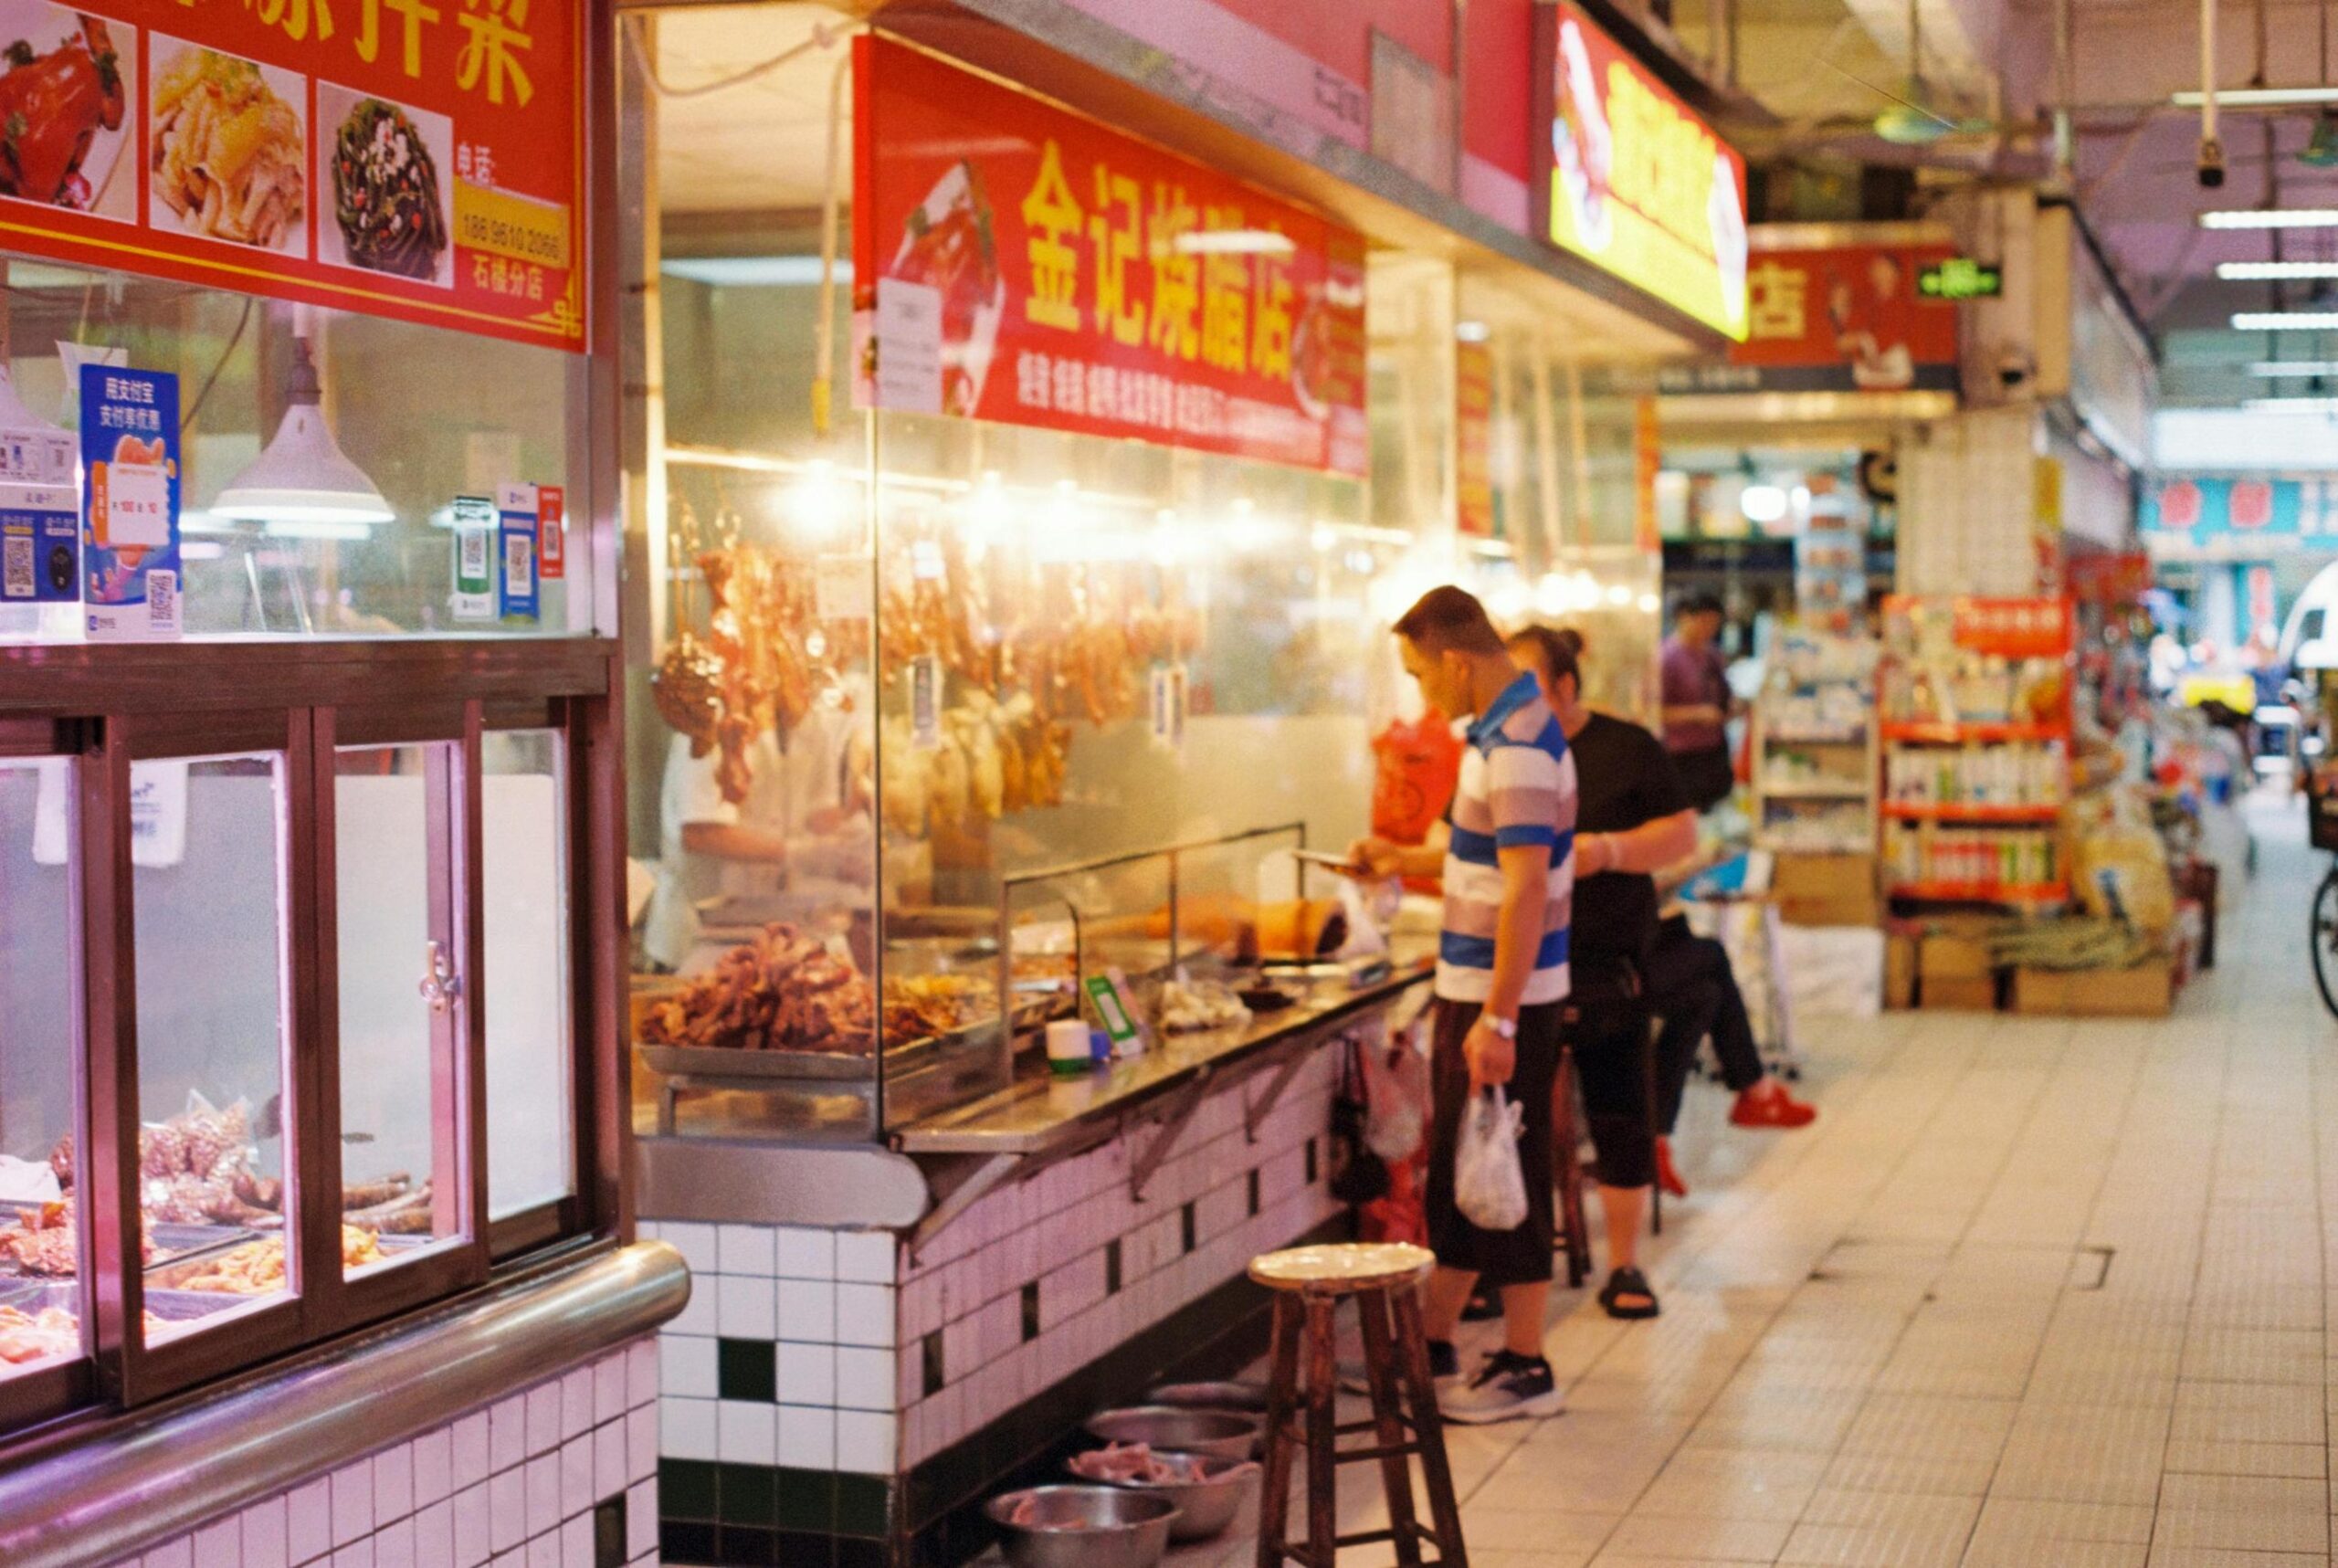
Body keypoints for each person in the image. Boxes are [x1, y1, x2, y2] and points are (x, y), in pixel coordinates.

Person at [1350, 586, 1574, 1423]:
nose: (1421, 695)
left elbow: (1522, 893)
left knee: (1499, 1171)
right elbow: (1487, 861)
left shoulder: (1515, 743)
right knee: (1467, 1169)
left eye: (1418, 674)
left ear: (1454, 658)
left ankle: (1524, 1364)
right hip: (1490, 992)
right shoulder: (1506, 733)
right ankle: (1435, 1346)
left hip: (1498, 996)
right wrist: (1399, 858)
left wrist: (1500, 1019)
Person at [1513, 627, 1816, 1205]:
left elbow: (1678, 833)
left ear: (1567, 685)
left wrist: (1607, 852)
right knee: (1705, 973)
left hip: (1615, 945)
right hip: (1573, 965)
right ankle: (1717, 1105)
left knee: (1701, 982)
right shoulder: (1503, 755)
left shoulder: (1622, 746)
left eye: (1529, 691)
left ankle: (1679, 1127)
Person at [642, 683, 874, 972]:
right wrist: (799, 853)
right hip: (698, 940)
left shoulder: (794, 724)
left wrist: (837, 845)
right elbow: (700, 834)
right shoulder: (710, 718)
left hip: (764, 935)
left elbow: (807, 816)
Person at [1660, 592, 1741, 813]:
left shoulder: (1712, 654)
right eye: (1704, 621)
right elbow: (1653, 711)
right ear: (1685, 617)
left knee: (1714, 810)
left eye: (1714, 624)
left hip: (1714, 749)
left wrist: (1731, 708)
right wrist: (1697, 714)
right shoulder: (1667, 657)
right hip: (1682, 754)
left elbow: (1723, 694)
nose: (1709, 629)